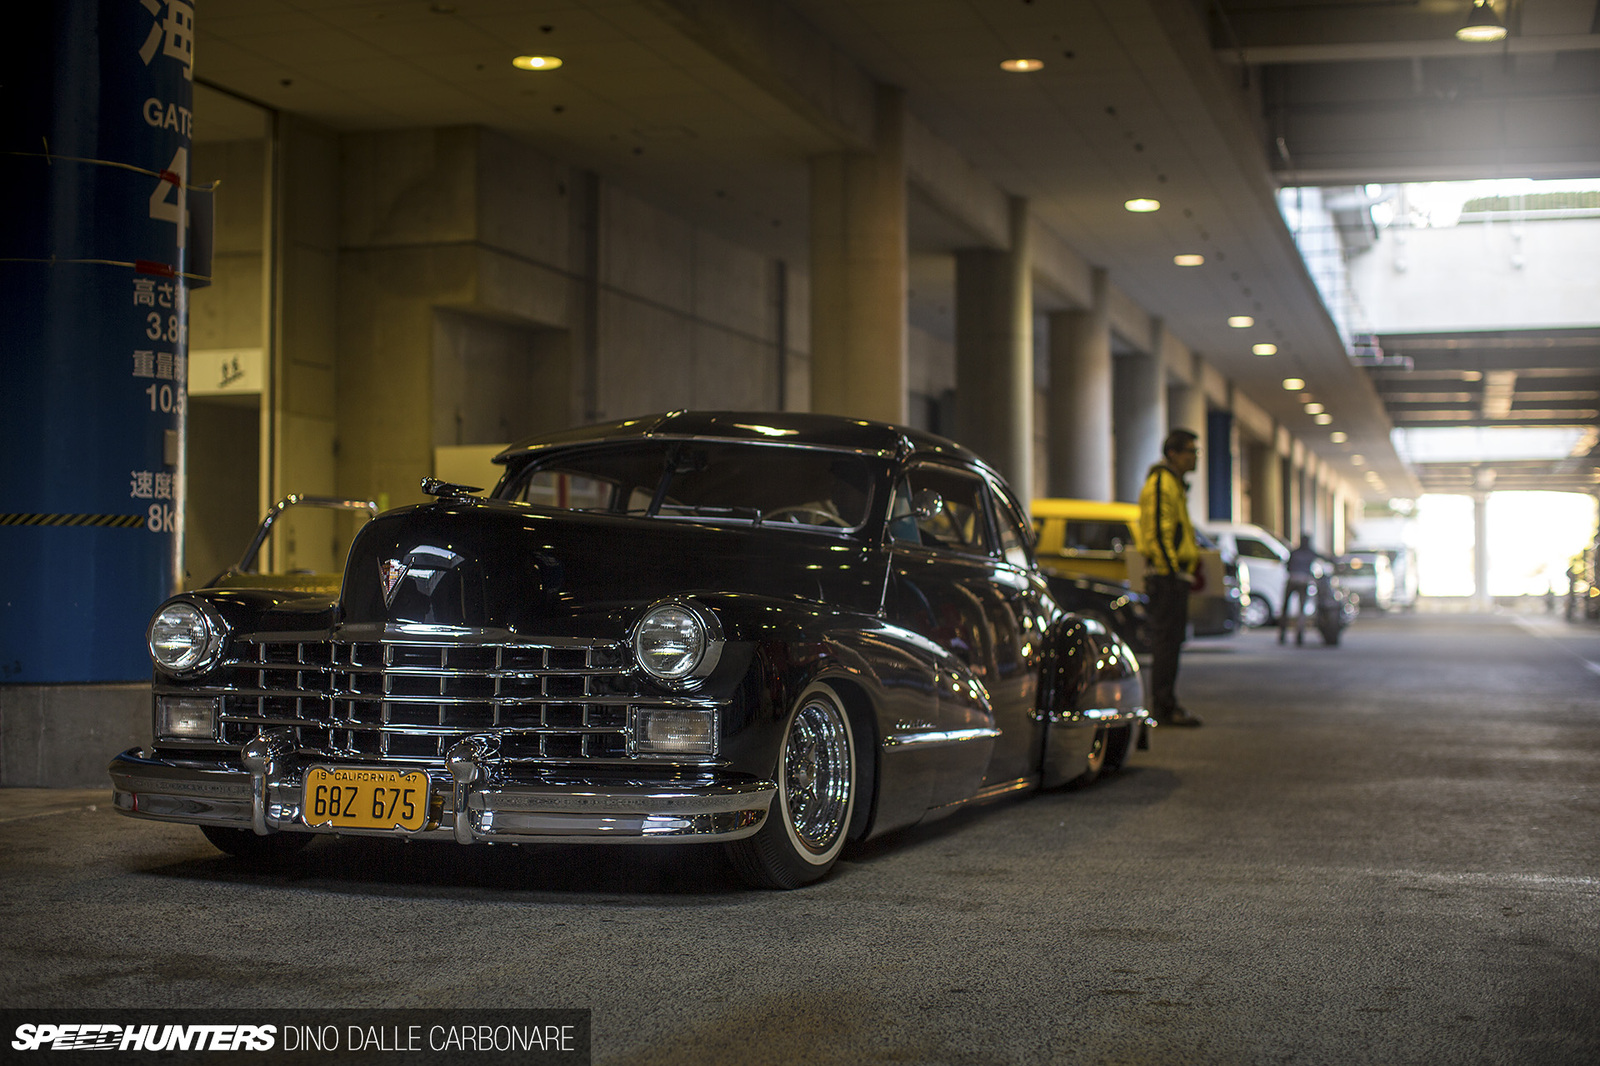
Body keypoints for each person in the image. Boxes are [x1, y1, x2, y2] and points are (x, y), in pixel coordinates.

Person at [1136, 429, 1203, 728]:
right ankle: (1163, 705)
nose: (1194, 457)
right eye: (1190, 451)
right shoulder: (1162, 483)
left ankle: (1166, 703)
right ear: (1172, 453)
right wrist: (1172, 571)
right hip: (1167, 578)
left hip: (1172, 575)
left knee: (1171, 642)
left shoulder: (1172, 483)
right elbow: (1159, 533)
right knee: (1166, 642)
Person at [1279, 534, 1328, 645]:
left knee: (1285, 607)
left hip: (1292, 579)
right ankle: (1299, 635)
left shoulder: (1294, 552)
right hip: (1304, 580)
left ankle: (1282, 634)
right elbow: (1326, 558)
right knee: (1301, 609)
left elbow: (1287, 565)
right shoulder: (1310, 552)